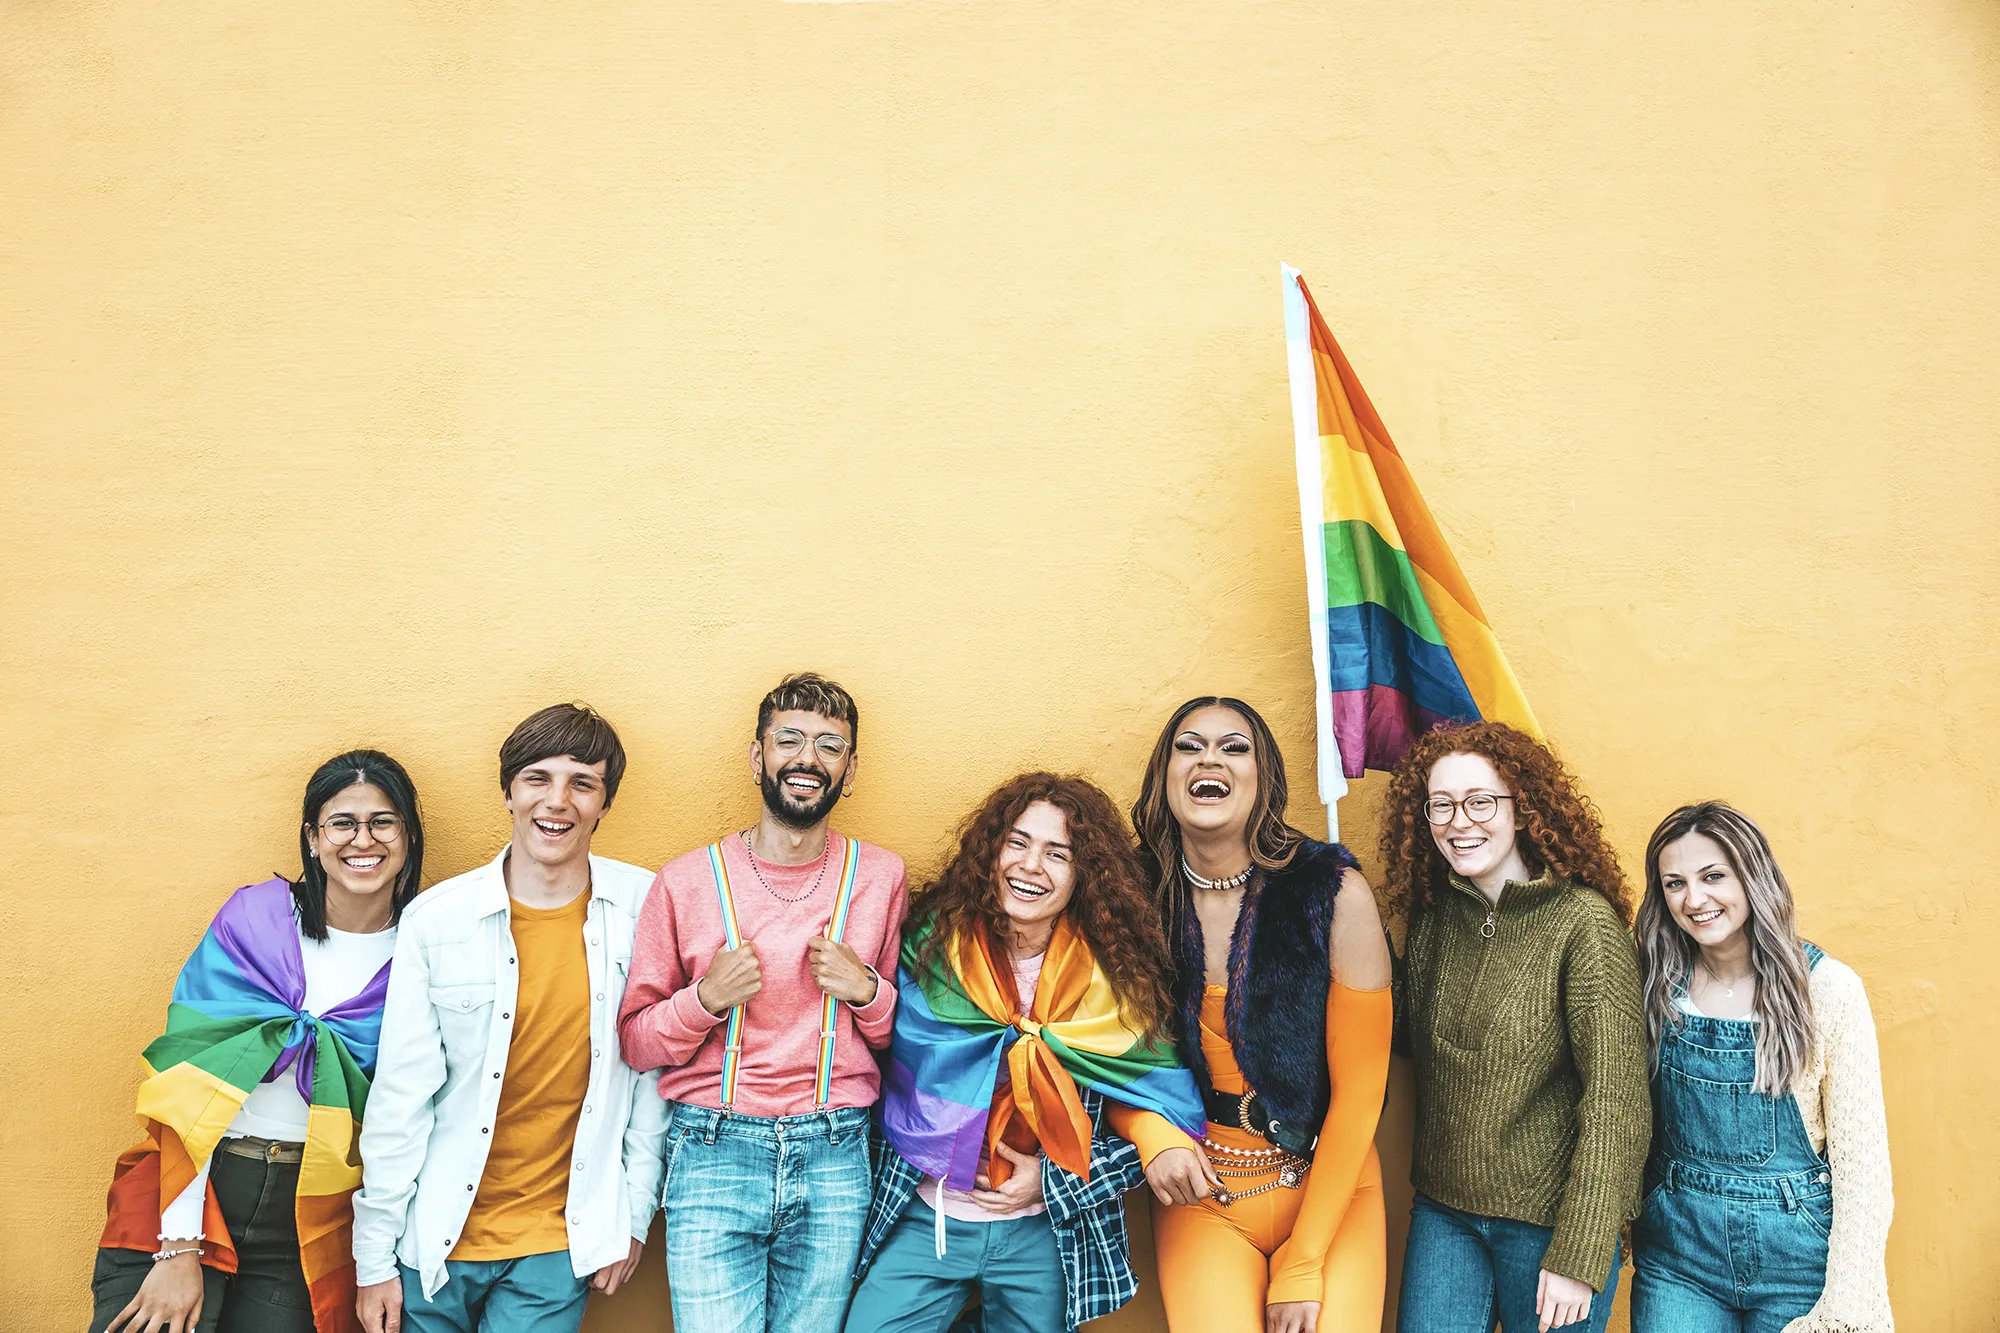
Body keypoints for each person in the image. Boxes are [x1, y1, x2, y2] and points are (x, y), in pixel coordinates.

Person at [844, 772, 1209, 1333]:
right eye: (1018, 842)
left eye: (1057, 853)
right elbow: (885, 1070)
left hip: (1044, 1230)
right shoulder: (930, 950)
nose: (1031, 866)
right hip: (927, 1214)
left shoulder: (1116, 987)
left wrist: (1052, 1180)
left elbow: (1156, 1115)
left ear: (1084, 876)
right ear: (992, 853)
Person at [352, 704, 667, 1333]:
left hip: (559, 1242)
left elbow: (651, 1076)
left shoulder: (645, 907)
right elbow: (401, 1096)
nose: (558, 801)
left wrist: (631, 1215)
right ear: (508, 793)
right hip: (434, 1240)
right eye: (537, 779)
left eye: (583, 783)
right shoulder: (437, 921)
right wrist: (373, 1257)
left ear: (605, 803)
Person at [91, 749, 425, 1333]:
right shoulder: (255, 919)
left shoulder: (426, 951)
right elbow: (185, 1091)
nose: (361, 839)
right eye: (342, 822)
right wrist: (178, 1247)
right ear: (313, 838)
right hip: (198, 1184)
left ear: (408, 835)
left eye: (383, 821)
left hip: (314, 1217)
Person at [618, 673, 908, 1333]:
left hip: (836, 1149)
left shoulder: (882, 876)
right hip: (712, 1146)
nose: (809, 759)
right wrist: (705, 999)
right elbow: (636, 1040)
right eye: (791, 740)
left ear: (850, 769)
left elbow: (898, 1039)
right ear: (759, 757)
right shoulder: (685, 880)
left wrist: (866, 990)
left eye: (830, 745)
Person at [1132, 696, 1395, 1333]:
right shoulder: (1130, 896)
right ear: (1164, 775)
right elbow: (1102, 1050)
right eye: (1188, 746)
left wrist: (1303, 1262)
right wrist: (1151, 1134)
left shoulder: (1331, 890)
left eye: (1234, 747)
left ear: (1263, 776)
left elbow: (1362, 1094)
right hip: (1204, 1194)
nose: (1209, 760)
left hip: (1333, 1189)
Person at [1382, 720, 1650, 1333]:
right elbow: (1405, 1039)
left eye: (1480, 802)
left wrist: (1581, 1252)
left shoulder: (1584, 925)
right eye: (1441, 805)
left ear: (1524, 809)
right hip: (1444, 1214)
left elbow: (1618, 1101)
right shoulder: (1434, 918)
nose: (1459, 821)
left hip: (1552, 1222)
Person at [1630, 802, 1894, 1333]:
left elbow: (1864, 1167)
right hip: (1680, 1257)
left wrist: (1845, 1302)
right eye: (1674, 883)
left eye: (1713, 876)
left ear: (1753, 877)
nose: (1695, 899)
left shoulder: (1828, 990)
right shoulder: (1654, 985)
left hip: (1798, 1261)